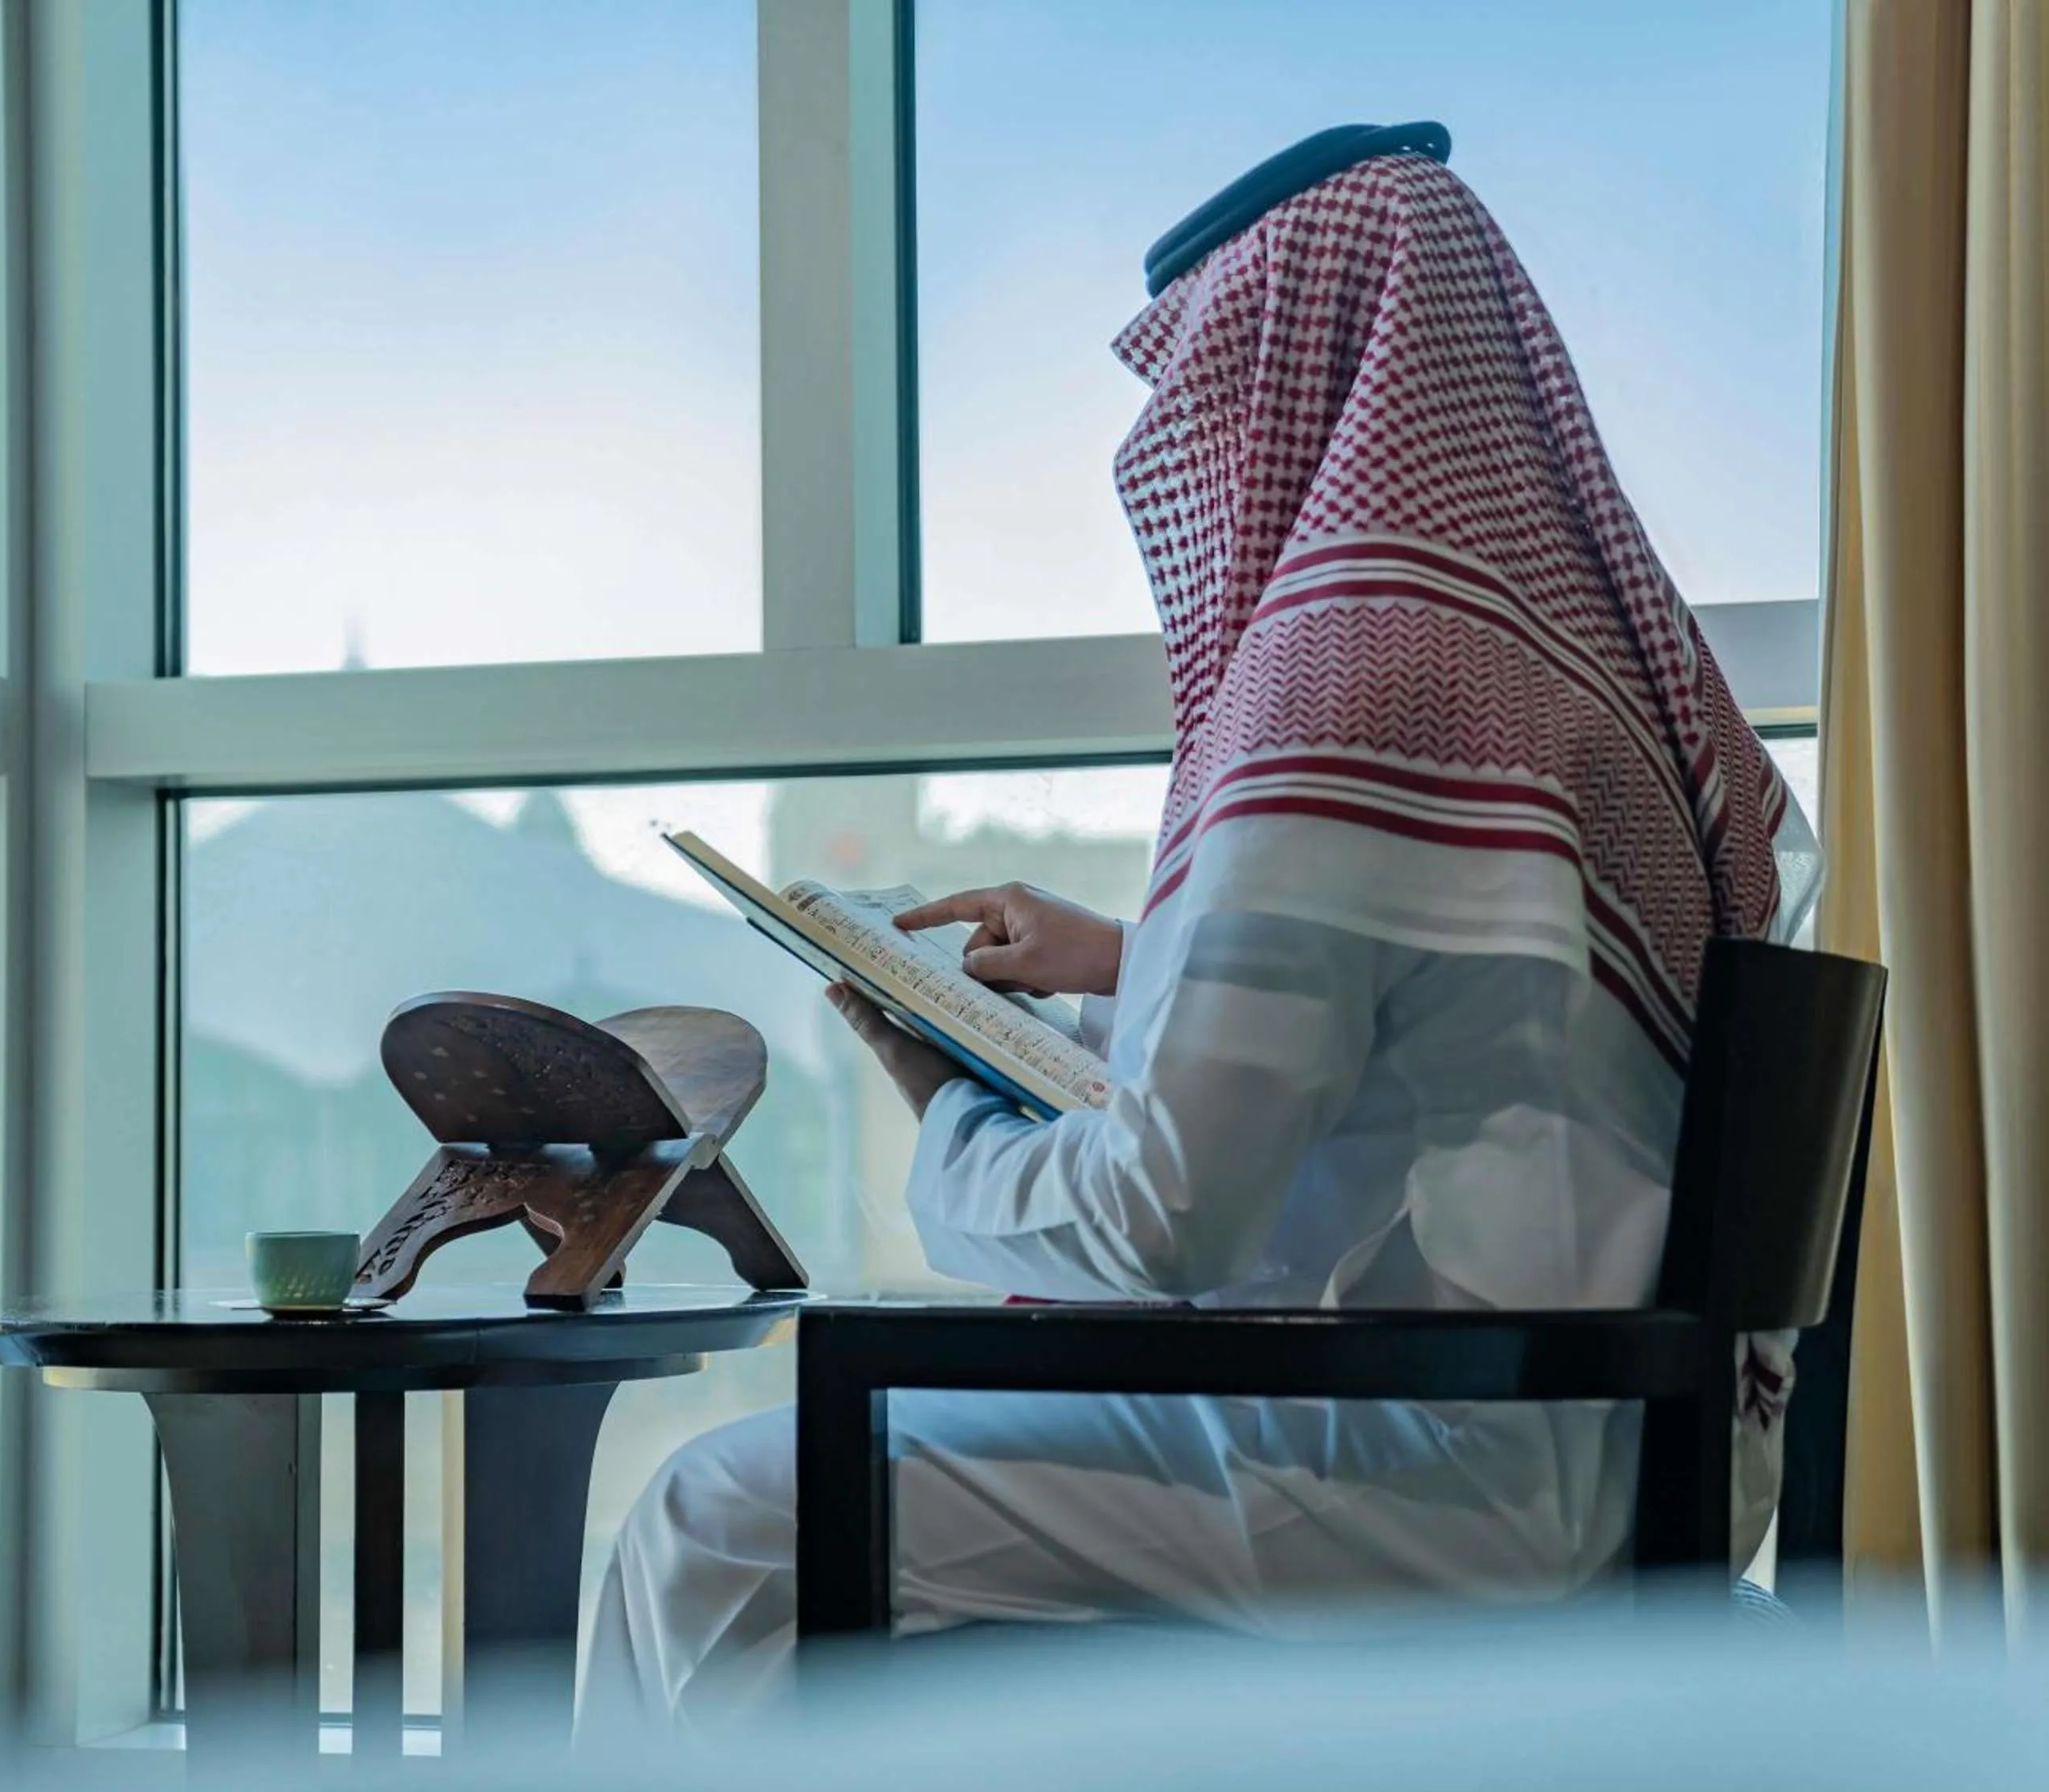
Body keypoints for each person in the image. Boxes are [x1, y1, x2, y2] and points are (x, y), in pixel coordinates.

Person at [583, 141, 1820, 1732]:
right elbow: (1448, 1029)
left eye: (1196, 379)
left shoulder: (1340, 687)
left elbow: (1174, 1222)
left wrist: (948, 1103)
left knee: (719, 1524)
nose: (1172, 435)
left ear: (1283, 368)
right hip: (1627, 1462)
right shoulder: (1591, 698)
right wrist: (1121, 966)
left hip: (1425, 1483)